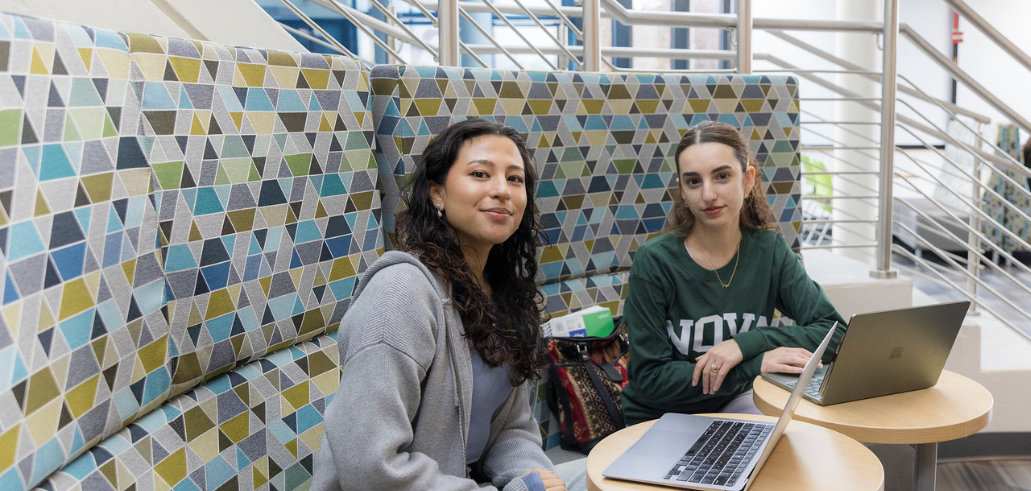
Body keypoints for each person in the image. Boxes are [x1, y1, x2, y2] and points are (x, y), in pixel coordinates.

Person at [312, 118, 584, 491]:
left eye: (515, 179)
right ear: (437, 193)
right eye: (480, 174)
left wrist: (528, 477)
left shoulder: (502, 293)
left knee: (605, 476)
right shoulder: (400, 293)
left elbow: (512, 428)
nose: (502, 190)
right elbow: (370, 465)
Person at [620, 121, 847, 425]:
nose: (709, 194)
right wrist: (755, 365)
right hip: (662, 417)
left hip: (739, 404)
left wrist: (747, 344)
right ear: (682, 190)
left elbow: (835, 334)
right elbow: (651, 379)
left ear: (748, 179)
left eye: (722, 176)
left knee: (809, 444)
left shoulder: (770, 250)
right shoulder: (655, 261)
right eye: (693, 181)